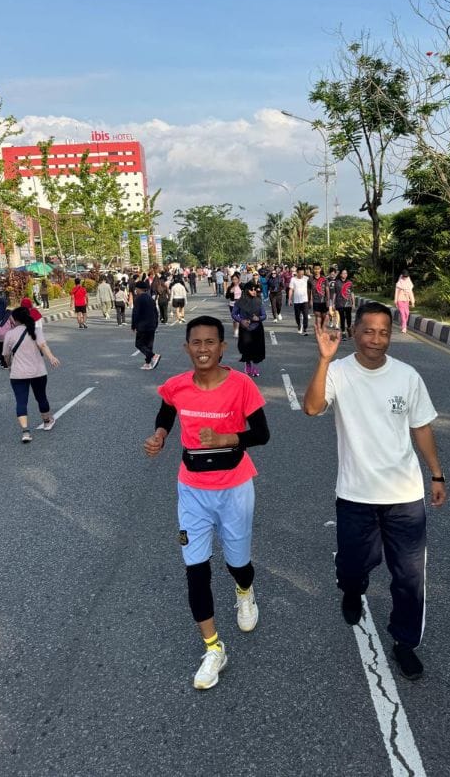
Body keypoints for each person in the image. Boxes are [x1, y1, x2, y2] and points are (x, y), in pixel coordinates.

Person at [303, 301, 447, 681]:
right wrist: (322, 359)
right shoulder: (337, 371)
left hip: (404, 494)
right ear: (354, 333)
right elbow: (312, 407)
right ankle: (352, 588)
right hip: (355, 493)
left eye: (384, 332)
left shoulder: (407, 376)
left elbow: (421, 427)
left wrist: (436, 474)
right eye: (368, 331)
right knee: (353, 566)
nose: (376, 339)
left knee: (410, 575)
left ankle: (404, 642)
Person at [143, 315, 270, 690]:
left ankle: (245, 592)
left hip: (234, 487)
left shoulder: (242, 385)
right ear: (186, 348)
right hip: (192, 490)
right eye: (195, 342)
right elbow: (167, 408)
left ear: (221, 347)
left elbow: (261, 433)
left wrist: (225, 439)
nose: (202, 349)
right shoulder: (178, 385)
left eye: (210, 342)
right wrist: (161, 434)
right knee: (195, 569)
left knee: (238, 565)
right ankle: (214, 648)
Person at [3, 306, 60, 443]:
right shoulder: (36, 330)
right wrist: (51, 357)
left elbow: (5, 354)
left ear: (15, 319)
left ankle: (25, 431)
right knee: (41, 397)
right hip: (38, 371)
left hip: (18, 374)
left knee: (21, 401)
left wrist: (10, 365)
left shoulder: (9, 334)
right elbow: (43, 346)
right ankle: (47, 421)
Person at [231, 282, 266, 378]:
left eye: (255, 289)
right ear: (246, 291)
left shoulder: (258, 301)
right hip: (245, 328)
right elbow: (234, 314)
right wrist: (241, 321)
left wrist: (258, 318)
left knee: (257, 348)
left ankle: (255, 367)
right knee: (246, 348)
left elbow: (264, 315)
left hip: (257, 328)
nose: (254, 291)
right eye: (252, 290)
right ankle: (247, 364)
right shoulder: (240, 302)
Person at [132, 279, 161, 370]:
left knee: (139, 344)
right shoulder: (150, 298)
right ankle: (148, 363)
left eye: (136, 288)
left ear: (139, 289)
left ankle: (153, 356)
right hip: (152, 325)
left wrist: (134, 325)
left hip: (142, 325)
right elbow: (156, 312)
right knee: (149, 345)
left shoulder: (138, 299)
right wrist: (156, 323)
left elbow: (135, 313)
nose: (135, 290)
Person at [288, 266, 310, 335]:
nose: (301, 275)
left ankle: (305, 328)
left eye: (303, 274)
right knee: (297, 315)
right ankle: (299, 325)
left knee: (305, 315)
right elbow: (291, 289)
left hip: (305, 300)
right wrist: (289, 299)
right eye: (300, 274)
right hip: (297, 301)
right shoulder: (293, 279)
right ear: (297, 273)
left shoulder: (306, 278)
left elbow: (311, 287)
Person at [334, 269, 355, 340]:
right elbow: (335, 293)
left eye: (346, 273)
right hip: (340, 303)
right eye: (343, 273)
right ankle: (343, 332)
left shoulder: (350, 282)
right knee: (342, 318)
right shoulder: (337, 282)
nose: (344, 275)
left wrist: (353, 303)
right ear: (340, 274)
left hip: (348, 303)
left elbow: (352, 293)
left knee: (349, 318)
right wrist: (333, 303)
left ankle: (349, 329)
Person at [394, 270, 416, 334]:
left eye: (406, 276)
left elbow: (410, 293)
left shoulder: (409, 283)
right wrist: (395, 301)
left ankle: (404, 324)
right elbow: (396, 293)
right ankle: (404, 327)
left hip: (406, 300)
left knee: (407, 313)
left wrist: (412, 302)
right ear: (402, 276)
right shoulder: (399, 284)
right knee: (402, 314)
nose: (405, 277)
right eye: (404, 276)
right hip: (400, 300)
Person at [309, 264, 330, 331]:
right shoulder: (310, 279)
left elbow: (327, 289)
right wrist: (310, 300)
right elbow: (309, 291)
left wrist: (328, 300)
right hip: (315, 301)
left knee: (324, 316)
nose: (316, 270)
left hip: (323, 301)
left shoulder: (324, 279)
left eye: (318, 269)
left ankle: (322, 327)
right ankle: (319, 330)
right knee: (318, 315)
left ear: (320, 269)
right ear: (313, 269)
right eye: (315, 269)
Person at [226, 273, 243, 337]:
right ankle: (235, 330)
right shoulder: (230, 287)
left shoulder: (241, 286)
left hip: (240, 304)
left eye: (236, 279)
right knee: (234, 319)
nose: (234, 281)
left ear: (238, 280)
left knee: (239, 318)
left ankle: (237, 331)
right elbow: (227, 297)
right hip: (232, 304)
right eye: (233, 279)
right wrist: (230, 292)